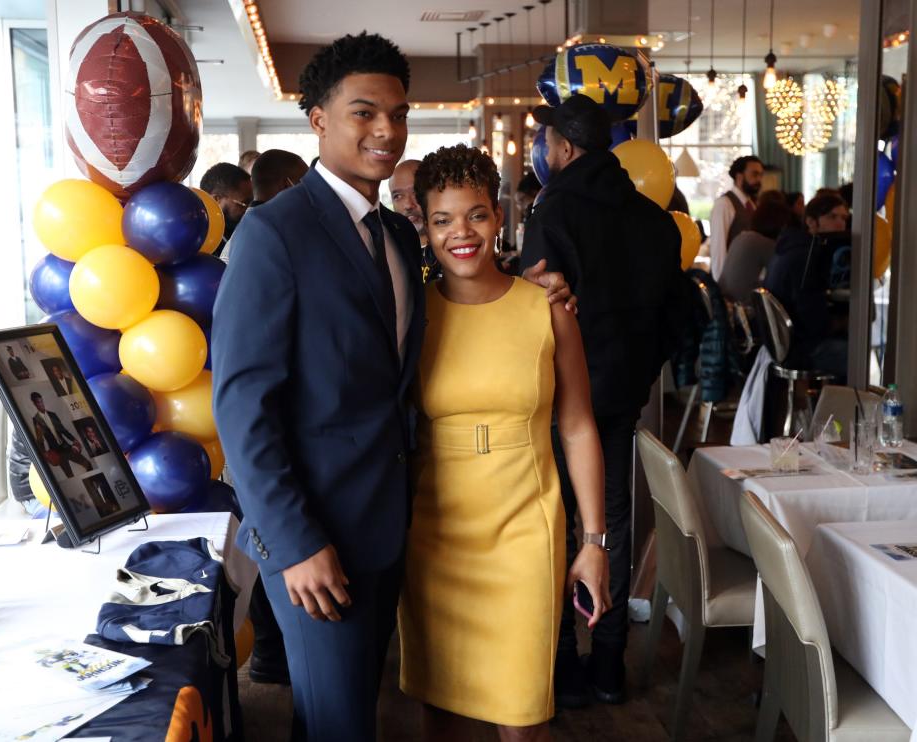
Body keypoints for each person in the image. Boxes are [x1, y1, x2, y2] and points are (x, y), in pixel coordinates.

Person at [213, 32, 571, 742]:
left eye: (398, 114)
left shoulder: (401, 239)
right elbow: (243, 405)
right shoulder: (272, 233)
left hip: (394, 526)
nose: (386, 130)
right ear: (318, 119)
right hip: (315, 537)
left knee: (349, 717)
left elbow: (446, 329)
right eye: (364, 113)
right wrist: (291, 540)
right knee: (339, 725)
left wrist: (529, 292)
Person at [399, 145, 609, 741]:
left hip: (525, 531)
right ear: (425, 225)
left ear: (499, 217)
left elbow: (578, 426)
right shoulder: (411, 316)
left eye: (476, 214)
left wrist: (594, 542)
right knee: (440, 713)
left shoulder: (546, 307)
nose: (460, 233)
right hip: (435, 534)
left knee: (524, 715)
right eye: (442, 219)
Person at [520, 94, 685, 708]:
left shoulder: (554, 207)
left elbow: (537, 303)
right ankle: (610, 663)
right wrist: (641, 369)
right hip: (622, 391)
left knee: (561, 526)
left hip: (566, 395)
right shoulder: (652, 217)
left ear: (561, 147)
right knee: (608, 522)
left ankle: (564, 664)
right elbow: (676, 312)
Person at [763, 192, 850, 380]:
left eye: (844, 218)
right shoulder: (806, 257)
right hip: (800, 348)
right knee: (857, 356)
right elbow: (816, 324)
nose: (840, 224)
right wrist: (843, 321)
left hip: (777, 345)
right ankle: (840, 406)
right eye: (832, 217)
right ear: (811, 222)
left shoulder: (790, 246)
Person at [221, 150, 310, 263]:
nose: (309, 193)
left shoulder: (249, 229)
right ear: (287, 185)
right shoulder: (269, 235)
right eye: (305, 185)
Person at [719, 193, 795, 303]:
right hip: (744, 309)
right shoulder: (764, 243)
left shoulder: (742, 236)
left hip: (726, 304)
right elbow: (783, 273)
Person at [708, 155, 764, 281]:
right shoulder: (724, 203)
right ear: (739, 176)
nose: (759, 180)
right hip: (729, 281)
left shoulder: (752, 204)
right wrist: (721, 287)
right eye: (754, 174)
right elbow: (718, 248)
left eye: (761, 175)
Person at [388, 159, 440, 282]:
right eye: (398, 196)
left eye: (416, 192)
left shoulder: (453, 247)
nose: (408, 205)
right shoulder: (390, 253)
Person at [30, 392, 93, 478]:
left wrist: (74, 439)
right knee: (70, 476)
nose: (41, 404)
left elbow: (63, 430)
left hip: (66, 447)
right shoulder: (36, 420)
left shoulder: (52, 415)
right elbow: (40, 439)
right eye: (38, 402)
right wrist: (44, 453)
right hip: (56, 453)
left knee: (87, 464)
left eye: (41, 401)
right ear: (34, 404)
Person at [199, 162, 253, 256]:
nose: (250, 209)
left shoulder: (245, 229)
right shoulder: (200, 241)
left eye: (252, 202)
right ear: (216, 200)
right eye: (244, 203)